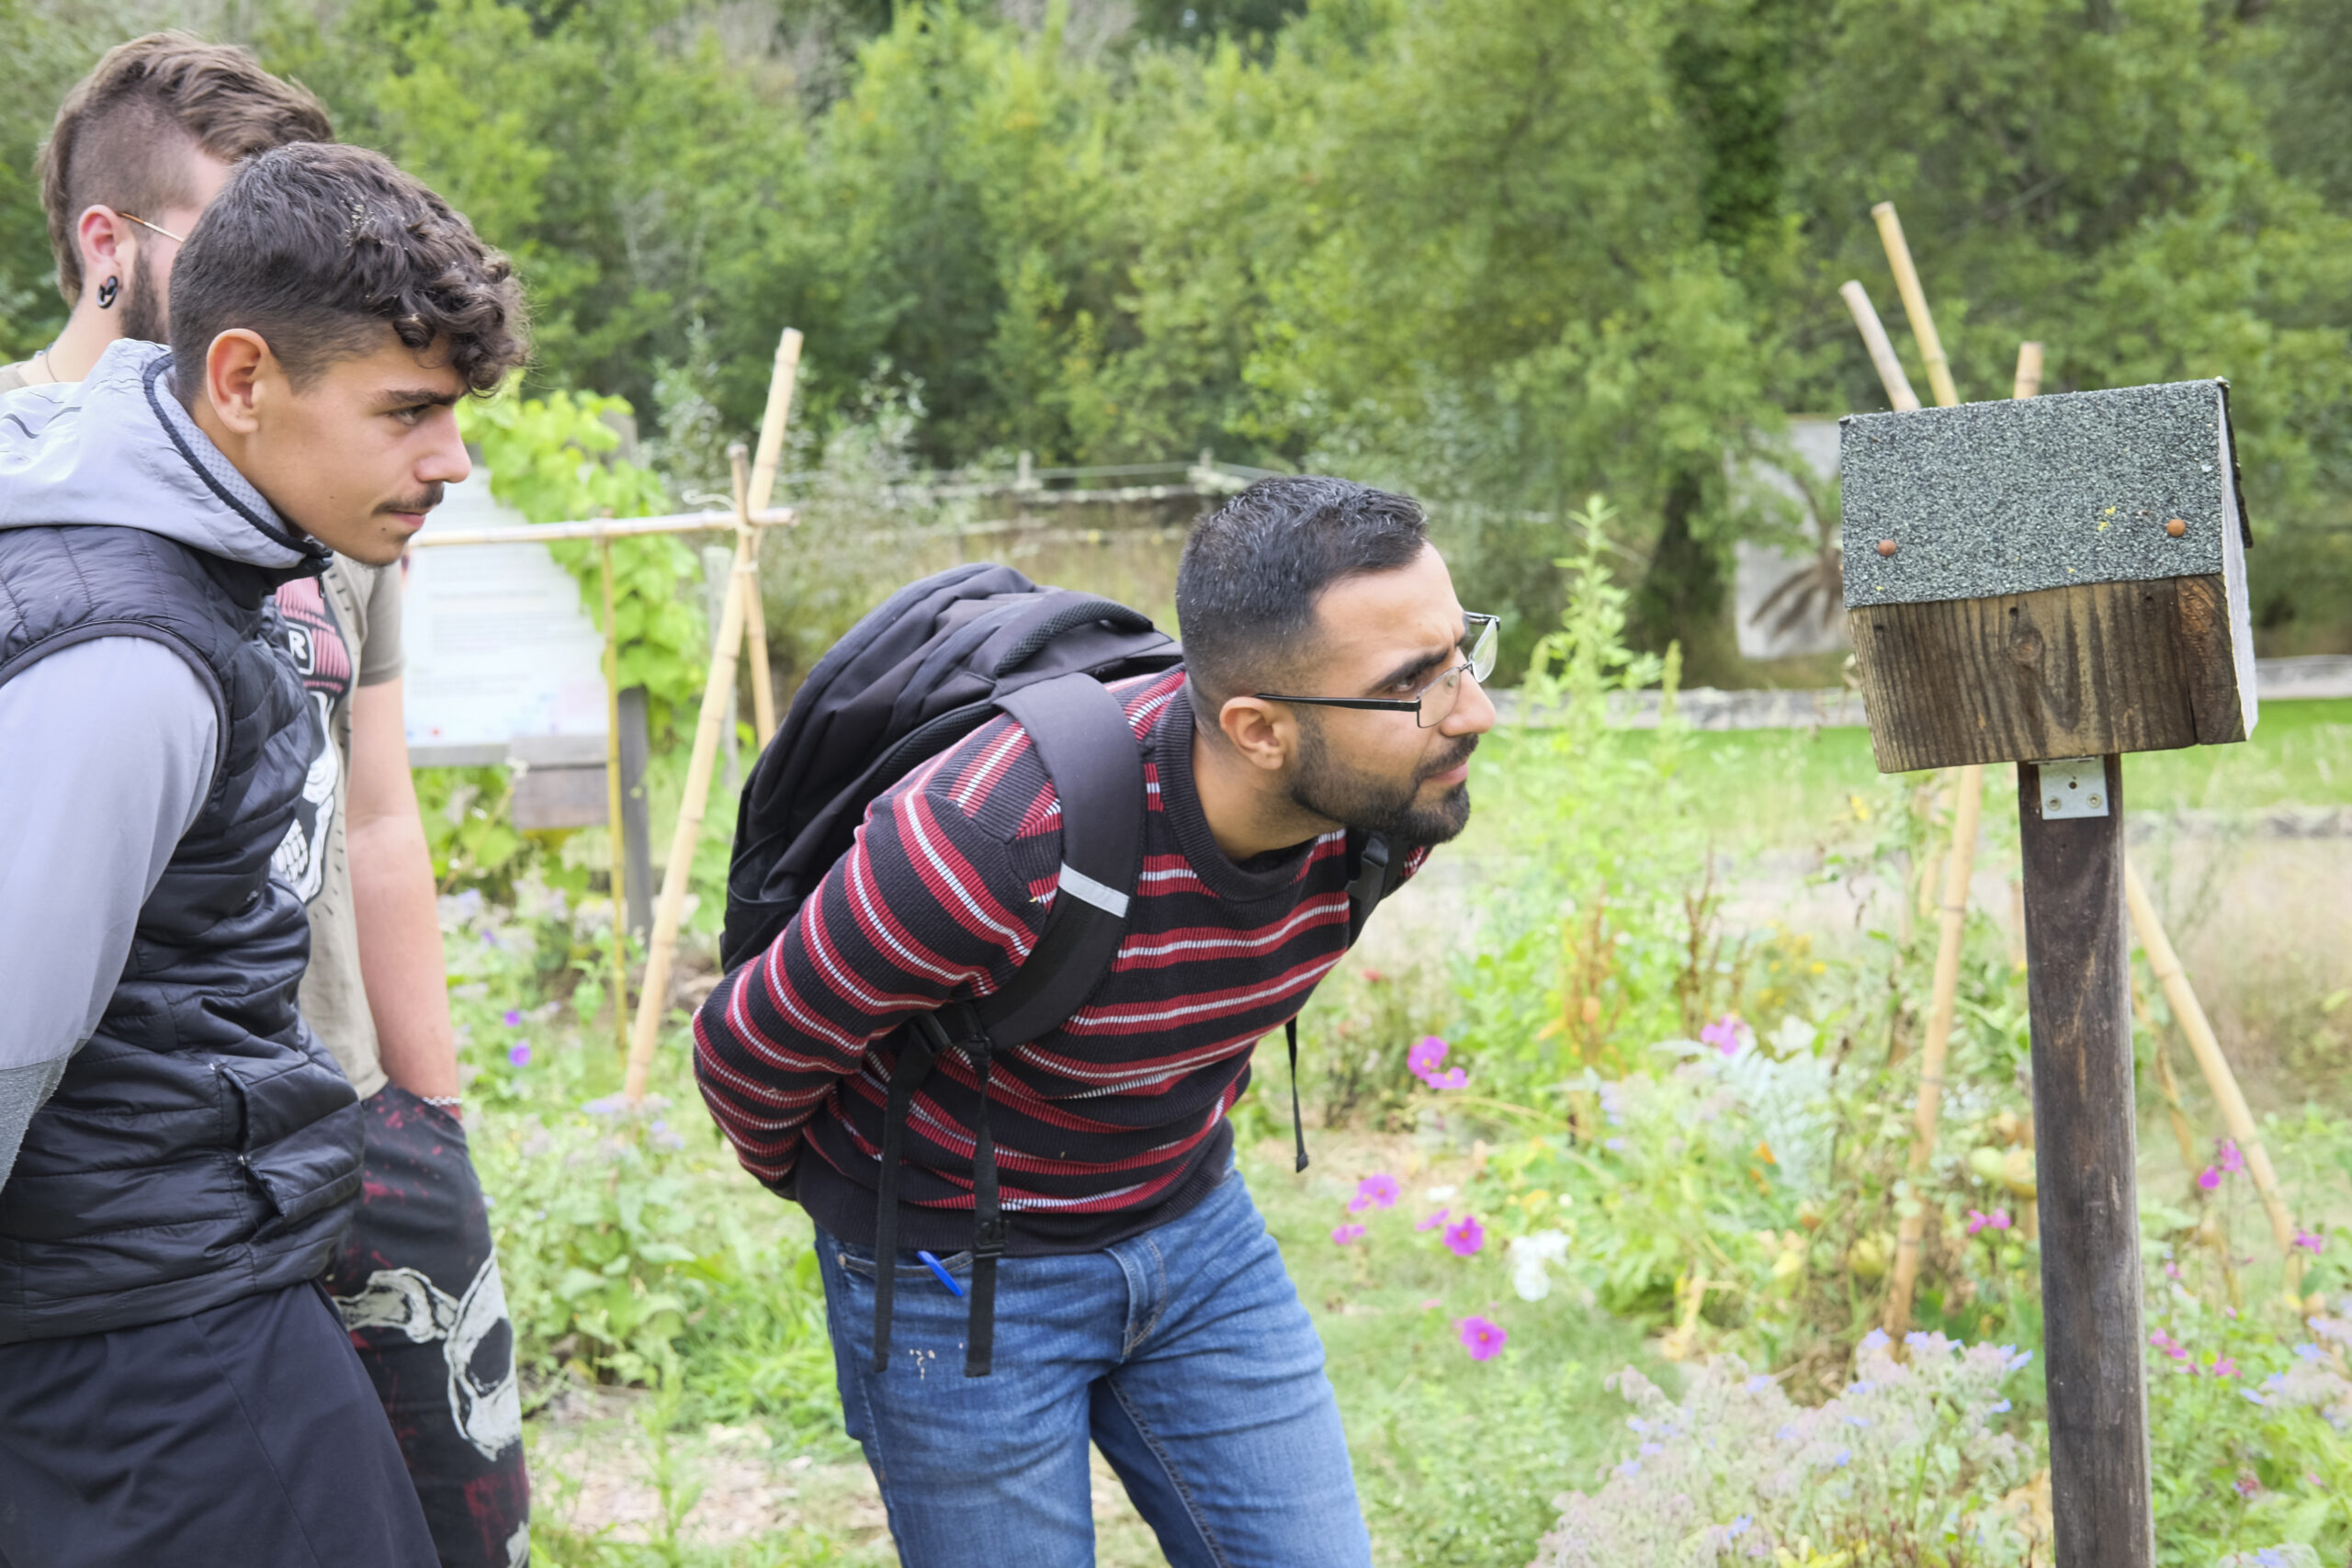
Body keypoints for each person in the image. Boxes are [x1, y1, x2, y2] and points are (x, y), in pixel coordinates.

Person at [694, 476, 1498, 1567]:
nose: (1471, 711)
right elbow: (748, 1050)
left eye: (1462, 652)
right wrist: (882, 1215)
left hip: (1195, 1232)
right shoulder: (995, 835)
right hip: (956, 1282)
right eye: (1413, 682)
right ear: (1257, 729)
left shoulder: (1387, 815)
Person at [4, 37, 531, 1564]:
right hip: (136, 1284)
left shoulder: (285, 534)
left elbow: (376, 815)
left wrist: (423, 1119)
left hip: (261, 1165)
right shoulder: (133, 639)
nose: (453, 459)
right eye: (408, 409)